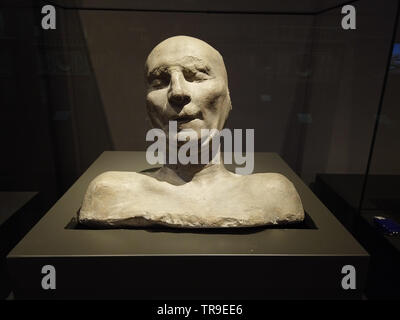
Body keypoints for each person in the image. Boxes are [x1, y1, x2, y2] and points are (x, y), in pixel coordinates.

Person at [78, 36, 304, 228]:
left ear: (227, 99)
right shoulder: (110, 195)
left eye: (196, 75)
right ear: (147, 107)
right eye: (159, 81)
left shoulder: (272, 194)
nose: (177, 92)